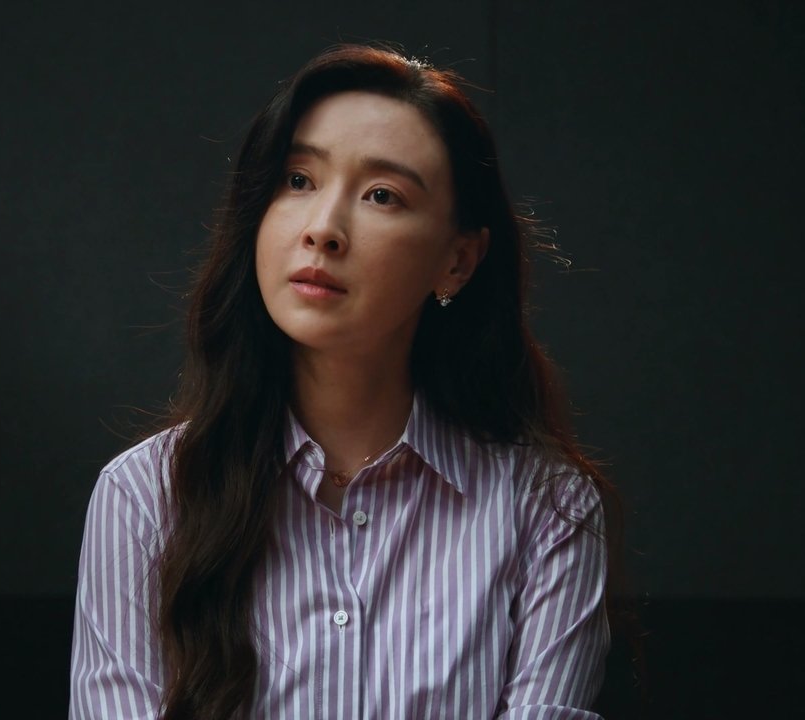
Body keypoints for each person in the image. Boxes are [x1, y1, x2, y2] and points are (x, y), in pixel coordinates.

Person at [70, 44, 621, 719]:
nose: (323, 229)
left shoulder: (546, 510)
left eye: (382, 195)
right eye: (298, 180)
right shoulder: (145, 498)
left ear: (457, 260)